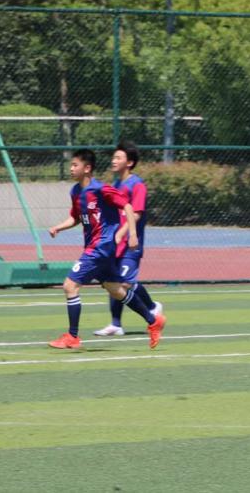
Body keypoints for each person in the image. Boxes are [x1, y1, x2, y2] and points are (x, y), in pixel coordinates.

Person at [48, 148, 166, 350]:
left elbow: (128, 207)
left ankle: (72, 336)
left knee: (70, 286)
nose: (71, 168)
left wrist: (132, 235)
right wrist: (58, 227)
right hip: (96, 248)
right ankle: (153, 320)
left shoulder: (101, 189)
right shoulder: (75, 191)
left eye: (75, 165)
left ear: (87, 168)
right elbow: (76, 218)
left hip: (100, 248)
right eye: (71, 165)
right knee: (116, 289)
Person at [94, 141, 164, 336]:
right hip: (115, 245)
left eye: (118, 158)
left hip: (131, 246)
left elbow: (136, 214)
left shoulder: (137, 185)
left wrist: (122, 233)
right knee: (113, 282)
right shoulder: (115, 185)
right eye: (113, 157)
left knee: (124, 282)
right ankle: (116, 324)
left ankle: (152, 307)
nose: (113, 160)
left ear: (130, 163)